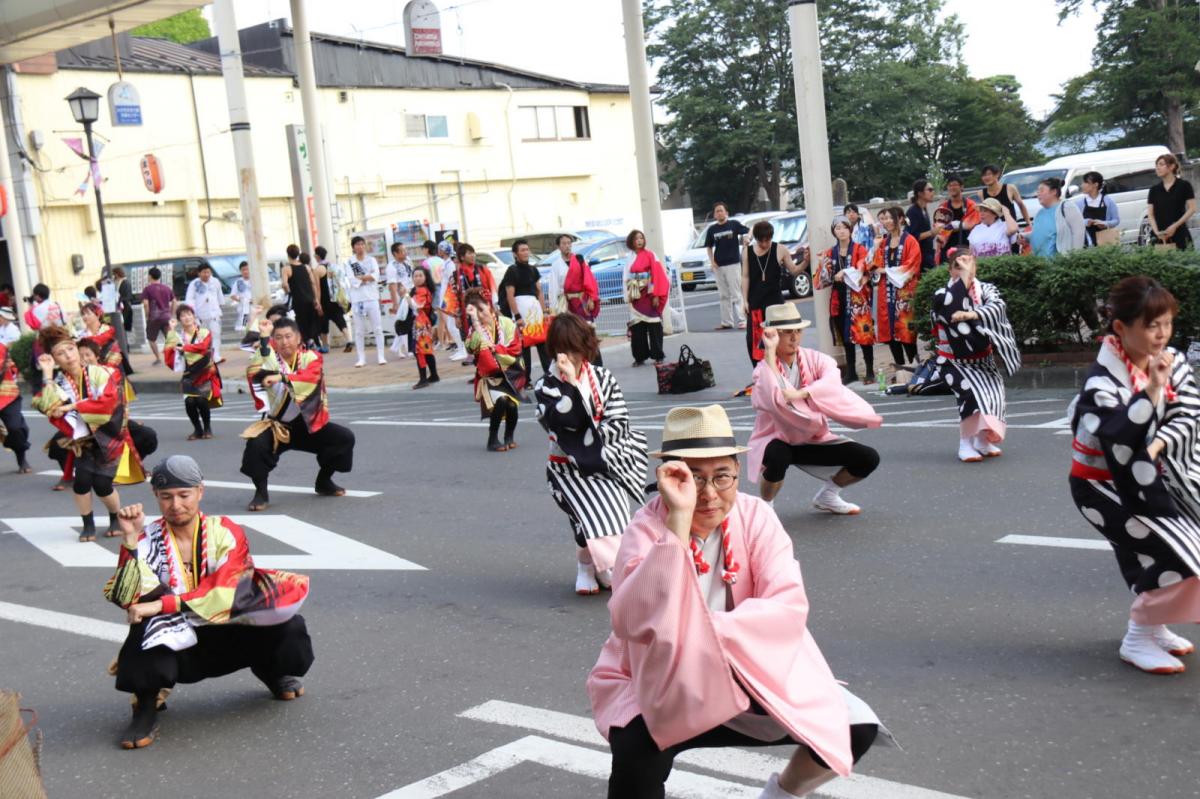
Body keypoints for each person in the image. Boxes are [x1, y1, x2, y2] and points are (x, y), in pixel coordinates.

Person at [588, 404, 888, 799]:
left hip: (750, 670)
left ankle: (780, 794)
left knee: (854, 727)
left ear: (736, 471)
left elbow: (786, 606)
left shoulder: (756, 516)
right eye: (694, 478)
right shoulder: (647, 527)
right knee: (636, 749)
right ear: (670, 479)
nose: (709, 493)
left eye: (722, 476)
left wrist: (701, 632)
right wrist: (677, 525)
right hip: (659, 680)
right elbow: (633, 620)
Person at [105, 455, 313, 750]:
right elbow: (127, 596)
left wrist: (164, 604)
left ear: (200, 492)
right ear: (155, 496)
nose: (176, 505)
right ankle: (146, 706)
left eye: (184, 495)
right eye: (166, 496)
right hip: (180, 641)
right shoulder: (147, 539)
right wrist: (130, 539)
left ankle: (270, 669)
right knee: (144, 627)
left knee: (288, 625)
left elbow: (228, 589)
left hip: (229, 627)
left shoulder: (225, 531)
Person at [1069, 276, 1200, 674]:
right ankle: (1138, 635)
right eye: (1151, 325)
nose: (1162, 334)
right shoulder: (1101, 381)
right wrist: (1153, 391)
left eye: (1168, 323)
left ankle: (1154, 626)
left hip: (1150, 477)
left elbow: (1188, 412)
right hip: (1100, 485)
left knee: (1166, 553)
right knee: (1178, 552)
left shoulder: (1171, 359)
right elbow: (1117, 436)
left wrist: (1157, 445)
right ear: (1121, 327)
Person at [534, 314, 648, 594]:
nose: (570, 356)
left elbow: (619, 420)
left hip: (605, 462)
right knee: (585, 520)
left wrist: (596, 439)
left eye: (575, 348)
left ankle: (605, 566)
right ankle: (586, 567)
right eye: (563, 349)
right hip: (566, 468)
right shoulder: (545, 386)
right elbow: (563, 425)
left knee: (616, 517)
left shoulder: (603, 377)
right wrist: (572, 385)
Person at [747, 303, 882, 515]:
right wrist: (770, 353)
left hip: (813, 437)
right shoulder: (762, 370)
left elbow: (832, 380)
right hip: (777, 438)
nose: (794, 338)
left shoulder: (813, 358)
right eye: (786, 332)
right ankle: (766, 507)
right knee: (778, 456)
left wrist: (803, 393)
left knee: (867, 457)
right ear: (772, 334)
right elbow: (774, 398)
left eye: (797, 331)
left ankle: (828, 495)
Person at [33, 326, 145, 541]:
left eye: (70, 349)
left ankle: (114, 517)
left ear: (77, 348)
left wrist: (72, 406)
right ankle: (88, 524)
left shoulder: (103, 372)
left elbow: (108, 403)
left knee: (102, 484)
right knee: (82, 481)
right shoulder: (59, 382)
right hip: (83, 439)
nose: (68, 356)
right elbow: (46, 405)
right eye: (60, 353)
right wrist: (47, 373)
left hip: (109, 435)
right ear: (55, 359)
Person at [240, 317, 356, 512]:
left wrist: (282, 377)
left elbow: (311, 377)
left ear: (298, 337)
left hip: (307, 423)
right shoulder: (268, 357)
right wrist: (264, 337)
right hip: (278, 426)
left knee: (343, 438)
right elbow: (260, 366)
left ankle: (324, 480)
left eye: (288, 336)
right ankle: (261, 492)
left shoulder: (310, 357)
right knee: (256, 445)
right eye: (279, 337)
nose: (284, 342)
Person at [930, 252, 1021, 462]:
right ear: (950, 270)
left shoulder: (985, 289)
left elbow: (998, 307)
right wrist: (964, 278)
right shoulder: (942, 294)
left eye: (968, 264)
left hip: (983, 359)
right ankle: (965, 444)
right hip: (953, 360)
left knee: (993, 398)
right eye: (958, 266)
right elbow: (951, 310)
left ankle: (982, 440)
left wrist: (972, 314)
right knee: (971, 395)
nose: (964, 269)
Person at [816, 218, 875, 384]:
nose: (841, 231)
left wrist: (845, 272)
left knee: (864, 335)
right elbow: (823, 281)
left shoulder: (859, 249)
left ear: (850, 230)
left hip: (857, 299)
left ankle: (870, 371)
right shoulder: (830, 252)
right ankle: (851, 371)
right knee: (845, 335)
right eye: (837, 228)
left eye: (844, 227)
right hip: (839, 298)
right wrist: (822, 265)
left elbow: (864, 268)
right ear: (833, 232)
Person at [465, 287, 525, 450]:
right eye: (475, 312)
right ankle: (492, 439)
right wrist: (475, 322)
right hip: (490, 375)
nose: (480, 315)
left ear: (489, 306)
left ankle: (509, 436)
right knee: (501, 400)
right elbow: (471, 348)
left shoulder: (506, 323)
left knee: (512, 405)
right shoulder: (475, 330)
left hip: (510, 370)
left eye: (481, 310)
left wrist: (497, 350)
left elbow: (515, 347)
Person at [740, 220, 803, 372]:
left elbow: (794, 270)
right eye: (761, 241)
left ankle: (782, 372)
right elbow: (745, 276)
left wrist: (806, 261)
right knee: (753, 341)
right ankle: (760, 373)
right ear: (756, 239)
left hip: (775, 304)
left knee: (780, 340)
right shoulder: (747, 251)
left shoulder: (780, 249)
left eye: (767, 240)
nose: (764, 244)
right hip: (756, 302)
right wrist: (744, 300)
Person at [164, 304, 223, 441]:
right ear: (179, 319)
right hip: (189, 373)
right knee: (189, 402)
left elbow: (203, 347)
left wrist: (185, 348)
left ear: (193, 316)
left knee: (202, 400)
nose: (187, 318)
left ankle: (207, 428)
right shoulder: (179, 336)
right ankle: (197, 429)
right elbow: (169, 350)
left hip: (204, 371)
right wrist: (171, 330)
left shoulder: (204, 332)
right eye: (183, 315)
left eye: (189, 314)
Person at [873, 206, 922, 368]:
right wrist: (875, 247)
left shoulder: (910, 241)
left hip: (905, 291)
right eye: (884, 218)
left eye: (890, 217)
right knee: (890, 333)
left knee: (907, 331)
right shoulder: (883, 242)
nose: (887, 221)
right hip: (886, 292)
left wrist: (886, 270)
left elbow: (912, 266)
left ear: (900, 219)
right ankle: (900, 368)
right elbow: (873, 265)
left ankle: (915, 367)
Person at [502, 238, 551, 380]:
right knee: (524, 346)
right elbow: (510, 295)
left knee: (542, 343)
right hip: (521, 311)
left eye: (527, 249)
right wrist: (517, 316)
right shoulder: (512, 271)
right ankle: (525, 379)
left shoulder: (533, 270)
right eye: (522, 250)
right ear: (515, 254)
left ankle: (549, 375)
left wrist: (545, 312)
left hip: (535, 311)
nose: (526, 252)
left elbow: (539, 292)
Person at [624, 230, 670, 368]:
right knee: (637, 328)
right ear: (631, 241)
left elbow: (657, 274)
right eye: (636, 238)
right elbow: (626, 278)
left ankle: (658, 355)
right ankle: (640, 356)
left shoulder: (651, 254)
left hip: (649, 294)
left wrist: (655, 294)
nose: (639, 241)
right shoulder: (629, 258)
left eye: (641, 238)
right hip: (635, 294)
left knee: (654, 326)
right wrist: (628, 294)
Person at [704, 202, 749, 330]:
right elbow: (709, 247)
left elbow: (748, 230)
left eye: (721, 210)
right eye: (717, 211)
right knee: (723, 295)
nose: (719, 213)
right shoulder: (712, 229)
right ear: (714, 215)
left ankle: (743, 320)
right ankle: (726, 322)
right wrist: (712, 261)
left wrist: (747, 238)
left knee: (736, 293)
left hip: (733, 264)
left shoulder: (733, 224)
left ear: (726, 213)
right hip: (718, 265)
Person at [346, 235, 388, 367]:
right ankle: (361, 358)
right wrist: (366, 278)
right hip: (357, 299)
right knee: (359, 331)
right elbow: (352, 280)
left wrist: (363, 278)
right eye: (357, 244)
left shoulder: (372, 260)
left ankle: (381, 356)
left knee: (377, 328)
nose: (360, 247)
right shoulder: (350, 262)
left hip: (372, 298)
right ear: (353, 247)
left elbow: (376, 276)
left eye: (362, 244)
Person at [1147, 153, 1196, 250]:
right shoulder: (1154, 189)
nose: (1157, 168)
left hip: (1180, 233)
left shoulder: (1184, 185)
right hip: (1159, 235)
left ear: (1172, 166)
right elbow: (1150, 214)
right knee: (1159, 259)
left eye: (1161, 164)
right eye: (1156, 165)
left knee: (1183, 258)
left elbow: (1192, 208)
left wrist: (1175, 226)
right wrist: (1157, 232)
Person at [981, 164, 1032, 253]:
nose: (986, 177)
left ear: (997, 174)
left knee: (1015, 254)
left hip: (1011, 230)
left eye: (989, 174)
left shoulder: (1010, 188)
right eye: (984, 175)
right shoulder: (981, 193)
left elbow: (1021, 205)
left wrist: (1028, 223)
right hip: (994, 233)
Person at [0, 336, 32, 474]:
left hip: (6, 395)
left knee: (16, 428)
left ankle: (21, 456)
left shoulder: (1, 348)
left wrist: (7, 367)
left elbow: (12, 368)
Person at [1030, 177, 1086, 257]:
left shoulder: (1067, 207)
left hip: (1060, 261)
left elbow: (1078, 233)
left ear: (1054, 192)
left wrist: (1075, 257)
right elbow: (1042, 233)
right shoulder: (1040, 213)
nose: (1038, 194)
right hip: (1040, 262)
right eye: (1038, 191)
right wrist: (1025, 236)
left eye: (1042, 190)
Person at [183, 262, 226, 363]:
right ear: (199, 273)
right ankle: (204, 357)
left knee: (216, 335)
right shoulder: (194, 284)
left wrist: (219, 307)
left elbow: (220, 296)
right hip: (200, 315)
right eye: (204, 272)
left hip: (214, 314)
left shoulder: (215, 282)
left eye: (208, 272)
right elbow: (189, 299)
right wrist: (193, 314)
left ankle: (216, 356)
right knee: (202, 337)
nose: (206, 274)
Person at [280, 245, 320, 348]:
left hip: (297, 300)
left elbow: (284, 284)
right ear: (298, 254)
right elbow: (313, 283)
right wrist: (316, 299)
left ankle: (305, 344)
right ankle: (311, 341)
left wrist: (288, 292)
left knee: (300, 324)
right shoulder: (306, 267)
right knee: (310, 322)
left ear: (288, 254)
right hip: (309, 299)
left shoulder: (286, 269)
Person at [316, 245, 353, 353]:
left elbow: (317, 288)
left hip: (324, 300)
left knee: (323, 322)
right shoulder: (333, 266)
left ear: (317, 256)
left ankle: (325, 346)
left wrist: (317, 302)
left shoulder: (318, 269)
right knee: (340, 320)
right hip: (335, 298)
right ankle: (349, 340)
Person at [410, 265, 440, 388]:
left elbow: (417, 306)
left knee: (419, 351)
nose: (417, 278)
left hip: (420, 324)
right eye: (415, 276)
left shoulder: (421, 291)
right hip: (424, 323)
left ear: (425, 277)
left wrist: (406, 297)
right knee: (427, 350)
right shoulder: (423, 289)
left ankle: (423, 379)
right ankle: (434, 375)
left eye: (420, 275)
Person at [1073, 171, 1121, 248]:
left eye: (1086, 182)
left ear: (1095, 184)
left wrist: (1105, 224)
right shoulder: (1079, 203)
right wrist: (1086, 222)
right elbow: (1074, 222)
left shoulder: (1108, 201)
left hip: (1105, 239)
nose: (1082, 185)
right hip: (1086, 240)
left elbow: (1116, 220)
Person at [141, 267, 175, 366]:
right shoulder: (166, 288)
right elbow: (174, 301)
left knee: (151, 339)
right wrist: (171, 314)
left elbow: (146, 304)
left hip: (154, 318)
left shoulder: (147, 289)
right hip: (166, 317)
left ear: (150, 276)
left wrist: (147, 315)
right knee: (169, 338)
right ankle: (173, 357)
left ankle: (158, 358)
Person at [936, 175, 980, 255]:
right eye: (950, 185)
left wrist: (951, 226)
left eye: (955, 185)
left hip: (967, 244)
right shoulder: (943, 207)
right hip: (947, 246)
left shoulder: (971, 205)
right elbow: (939, 227)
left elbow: (971, 224)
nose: (952, 187)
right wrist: (953, 226)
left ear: (961, 187)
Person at [905, 179, 942, 271]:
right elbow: (910, 236)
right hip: (919, 258)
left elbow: (925, 235)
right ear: (920, 193)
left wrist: (935, 233)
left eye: (933, 189)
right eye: (930, 190)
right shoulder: (912, 211)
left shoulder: (923, 209)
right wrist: (931, 232)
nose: (933, 192)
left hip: (928, 256)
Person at [230, 261, 253, 332]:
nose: (246, 271)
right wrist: (242, 300)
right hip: (243, 308)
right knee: (244, 326)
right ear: (240, 271)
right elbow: (232, 295)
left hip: (254, 307)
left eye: (247, 269)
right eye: (243, 270)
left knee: (254, 325)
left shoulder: (255, 280)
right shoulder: (238, 282)